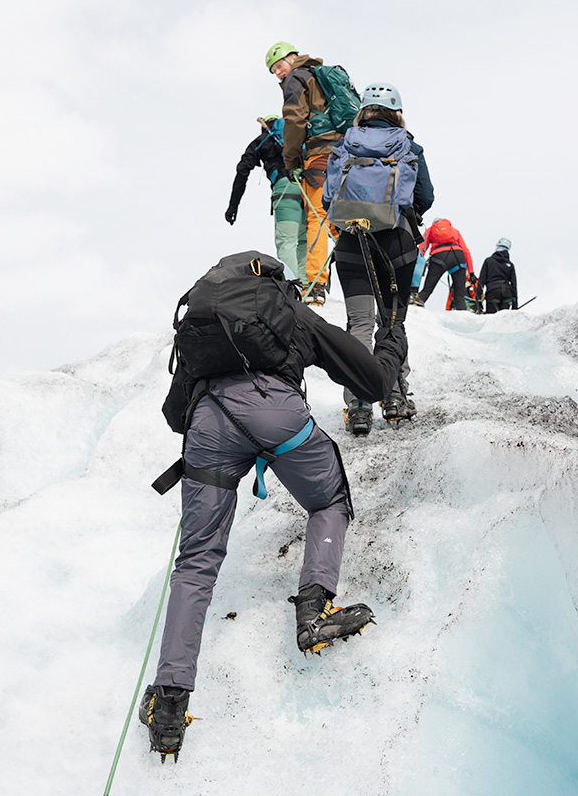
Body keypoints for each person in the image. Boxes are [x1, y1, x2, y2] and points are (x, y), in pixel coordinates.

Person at [139, 251, 408, 761]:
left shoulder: (203, 323)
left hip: (209, 428)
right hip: (278, 415)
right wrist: (391, 344)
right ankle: (313, 610)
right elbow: (370, 381)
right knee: (328, 499)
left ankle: (170, 704)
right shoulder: (287, 311)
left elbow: (176, 415)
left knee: (196, 563)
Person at [323, 82, 434, 433]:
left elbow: (328, 199)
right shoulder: (409, 146)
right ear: (396, 113)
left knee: (358, 323)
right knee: (391, 322)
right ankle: (395, 398)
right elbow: (426, 197)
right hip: (396, 246)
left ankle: (358, 405)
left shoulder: (344, 145)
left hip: (352, 242)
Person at [266, 41, 355, 305]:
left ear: (293, 58)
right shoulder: (318, 73)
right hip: (346, 153)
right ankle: (366, 277)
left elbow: (294, 120)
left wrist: (291, 160)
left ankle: (315, 284)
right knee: (346, 222)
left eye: (279, 65)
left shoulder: (296, 78)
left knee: (317, 220)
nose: (279, 73)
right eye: (274, 71)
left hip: (320, 155)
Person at [224, 115, 307, 285]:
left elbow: (242, 170)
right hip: (309, 187)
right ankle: (308, 285)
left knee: (287, 241)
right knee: (304, 240)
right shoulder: (297, 135)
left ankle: (292, 288)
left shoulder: (263, 140)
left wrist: (233, 206)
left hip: (285, 190)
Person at [410, 217, 474, 310]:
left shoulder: (431, 229)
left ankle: (414, 311)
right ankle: (463, 317)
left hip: (439, 258)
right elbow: (466, 251)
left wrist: (417, 262)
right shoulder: (454, 231)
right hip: (458, 257)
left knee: (427, 290)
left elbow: (422, 248)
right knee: (459, 297)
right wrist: (471, 272)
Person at [479, 237, 519, 313]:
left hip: (492, 291)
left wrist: (478, 298)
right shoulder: (510, 265)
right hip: (507, 292)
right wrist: (515, 305)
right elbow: (514, 285)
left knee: (490, 318)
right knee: (503, 319)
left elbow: (481, 280)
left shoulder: (488, 261)